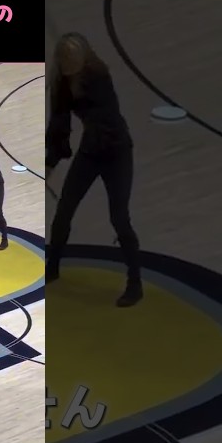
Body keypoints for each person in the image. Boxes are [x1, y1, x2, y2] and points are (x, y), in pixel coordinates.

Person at [45, 32, 142, 307]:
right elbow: (59, 124)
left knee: (119, 217)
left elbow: (103, 119)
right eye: (63, 59)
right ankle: (52, 268)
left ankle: (135, 283)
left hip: (116, 151)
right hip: (91, 152)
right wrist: (50, 162)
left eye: (71, 59)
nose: (66, 63)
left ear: (81, 58)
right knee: (63, 211)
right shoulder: (61, 82)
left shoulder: (98, 76)